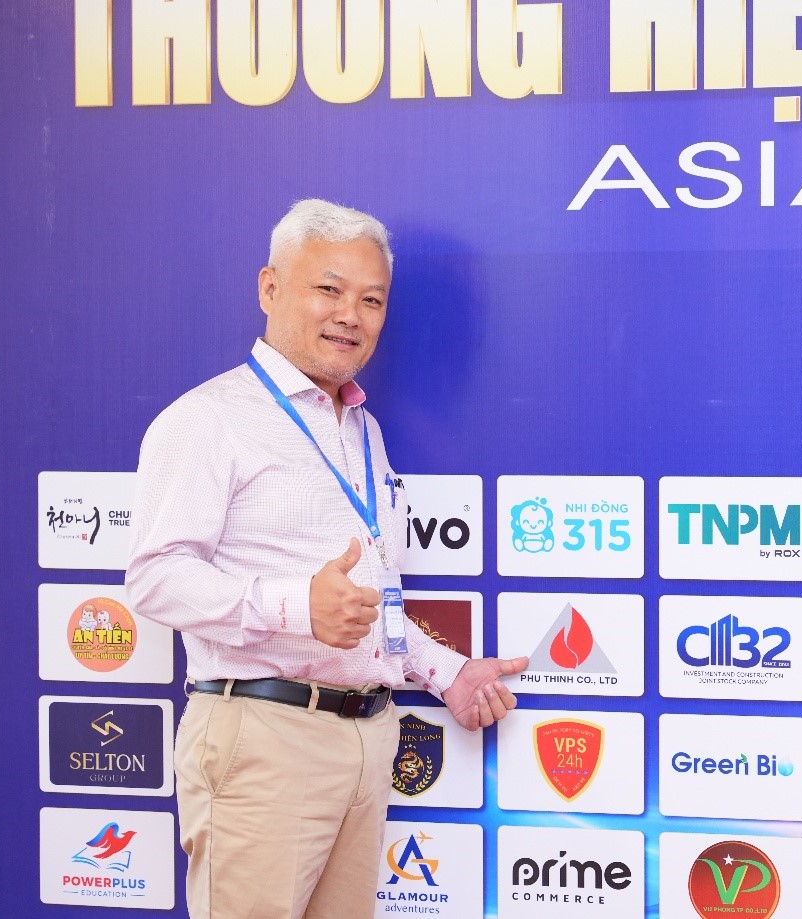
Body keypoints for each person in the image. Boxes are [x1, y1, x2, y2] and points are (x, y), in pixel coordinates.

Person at [126, 199, 527, 919]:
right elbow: (154, 578)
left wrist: (446, 673)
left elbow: (371, 598)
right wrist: (293, 605)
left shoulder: (362, 429)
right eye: (329, 289)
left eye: (372, 300)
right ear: (270, 288)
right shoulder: (208, 419)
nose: (351, 315)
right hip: (264, 737)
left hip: (368, 736)